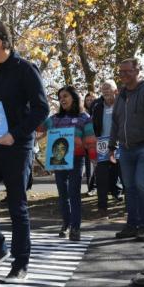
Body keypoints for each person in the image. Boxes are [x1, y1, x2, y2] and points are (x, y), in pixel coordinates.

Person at [0, 22, 49, 281]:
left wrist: (14, 134)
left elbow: (41, 109)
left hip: (16, 146)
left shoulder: (25, 70)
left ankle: (21, 262)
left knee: (17, 205)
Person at [109, 58, 144, 242]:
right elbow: (115, 123)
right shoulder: (121, 95)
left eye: (128, 71)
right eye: (121, 72)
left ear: (137, 70)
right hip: (125, 149)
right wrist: (111, 146)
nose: (124, 75)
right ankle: (132, 225)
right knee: (129, 188)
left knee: (142, 184)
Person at [38, 86, 97, 241]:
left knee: (74, 193)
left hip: (77, 160)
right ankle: (66, 223)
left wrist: (93, 156)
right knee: (63, 195)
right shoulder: (54, 119)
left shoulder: (85, 118)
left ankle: (76, 228)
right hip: (58, 161)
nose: (62, 99)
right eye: (60, 97)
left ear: (74, 98)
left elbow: (90, 140)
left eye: (65, 96)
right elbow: (38, 126)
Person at [90, 80, 123, 218]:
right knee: (101, 177)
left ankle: (129, 207)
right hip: (102, 144)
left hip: (121, 144)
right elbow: (93, 126)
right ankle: (102, 208)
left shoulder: (122, 104)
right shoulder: (97, 106)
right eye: (103, 89)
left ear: (115, 90)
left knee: (123, 175)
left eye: (108, 88)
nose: (105, 91)